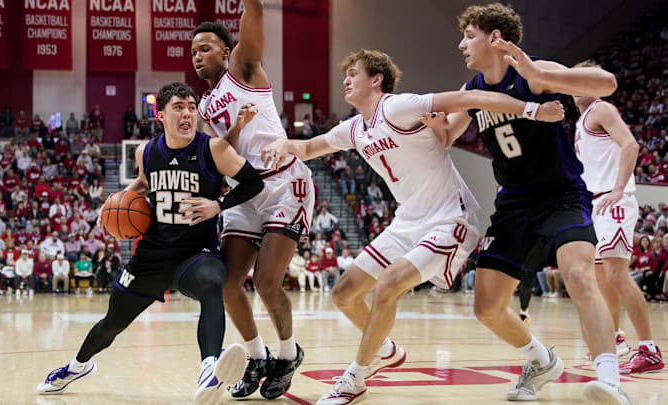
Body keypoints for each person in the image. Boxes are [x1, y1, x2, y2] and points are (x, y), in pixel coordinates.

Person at [260, 48, 563, 404]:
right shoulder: (355, 128)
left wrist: (533, 110)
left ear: (376, 79)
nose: (346, 79)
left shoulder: (398, 106)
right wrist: (284, 144)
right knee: (344, 292)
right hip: (408, 220)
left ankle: (355, 378)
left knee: (388, 284)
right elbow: (310, 147)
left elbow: (473, 97)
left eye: (354, 73)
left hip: (450, 217)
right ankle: (387, 350)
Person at [423, 4, 628, 403]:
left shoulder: (532, 74)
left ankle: (610, 379)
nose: (461, 43)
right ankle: (541, 359)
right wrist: (435, 129)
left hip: (561, 197)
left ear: (495, 38)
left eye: (469, 35)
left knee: (579, 274)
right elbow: (448, 137)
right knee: (486, 307)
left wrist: (540, 74)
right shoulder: (472, 91)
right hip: (513, 205)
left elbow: (608, 83)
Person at [36, 82, 264, 405]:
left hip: (194, 254)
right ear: (161, 116)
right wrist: (117, 202)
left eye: (191, 107)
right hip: (152, 256)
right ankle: (77, 367)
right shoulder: (147, 153)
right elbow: (144, 183)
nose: (187, 113)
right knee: (112, 323)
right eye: (178, 108)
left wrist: (219, 205)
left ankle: (209, 368)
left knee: (214, 282)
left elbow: (253, 183)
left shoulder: (213, 149)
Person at [191, 1, 316, 399]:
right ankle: (256, 355)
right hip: (246, 189)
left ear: (226, 52)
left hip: (284, 182)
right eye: (193, 51)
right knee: (227, 284)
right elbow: (222, 151)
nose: (198, 56)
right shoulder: (205, 105)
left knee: (265, 281)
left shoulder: (243, 70)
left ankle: (286, 352)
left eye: (206, 48)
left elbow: (256, 15)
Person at [573, 67, 663, 374]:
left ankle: (649, 349)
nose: (576, 87)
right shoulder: (582, 120)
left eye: (583, 81)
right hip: (596, 203)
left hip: (613, 200)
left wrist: (619, 189)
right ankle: (613, 341)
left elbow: (631, 144)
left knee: (616, 275)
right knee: (602, 279)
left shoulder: (601, 108)